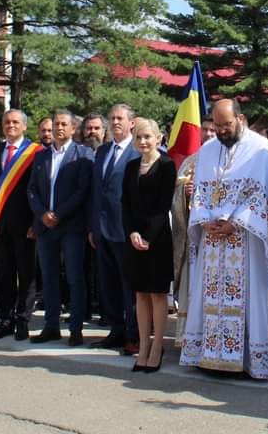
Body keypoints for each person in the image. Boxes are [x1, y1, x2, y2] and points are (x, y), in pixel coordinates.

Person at [179, 99, 268, 379]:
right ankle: (209, 356)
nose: (220, 131)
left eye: (226, 125)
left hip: (246, 240)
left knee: (247, 299)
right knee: (209, 298)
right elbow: (200, 192)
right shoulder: (207, 150)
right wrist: (205, 219)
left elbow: (265, 196)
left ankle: (246, 361)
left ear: (240, 119)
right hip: (212, 241)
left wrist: (234, 223)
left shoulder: (262, 150)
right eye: (216, 125)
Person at [28, 109, 93, 345]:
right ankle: (51, 326)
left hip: (71, 226)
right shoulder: (41, 156)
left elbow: (82, 191)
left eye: (64, 124)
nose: (59, 128)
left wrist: (58, 214)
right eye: (56, 124)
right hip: (46, 227)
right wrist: (42, 214)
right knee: (49, 278)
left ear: (73, 128)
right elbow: (32, 190)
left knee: (75, 278)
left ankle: (75, 329)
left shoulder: (83, 154)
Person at [121, 118, 176, 372]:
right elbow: (125, 203)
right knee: (140, 294)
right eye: (139, 137)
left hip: (157, 239)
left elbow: (163, 206)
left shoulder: (166, 165)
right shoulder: (131, 166)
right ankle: (143, 347)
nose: (143, 141)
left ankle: (156, 347)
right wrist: (132, 232)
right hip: (134, 239)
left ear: (158, 138)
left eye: (147, 137)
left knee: (156, 293)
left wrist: (147, 237)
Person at [0, 110, 43, 341]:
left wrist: (35, 222)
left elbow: (39, 190)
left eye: (15, 122)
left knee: (27, 275)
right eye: (7, 122)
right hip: (0, 225)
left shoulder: (35, 152)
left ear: (24, 126)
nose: (10, 125)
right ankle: (5, 320)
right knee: (5, 275)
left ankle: (23, 320)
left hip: (25, 225)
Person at [89, 104, 141, 353]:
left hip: (126, 230)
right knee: (108, 285)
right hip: (102, 230)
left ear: (132, 123)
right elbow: (96, 192)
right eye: (112, 118)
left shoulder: (137, 151)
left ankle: (134, 335)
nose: (115, 122)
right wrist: (93, 227)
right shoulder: (102, 151)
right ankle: (116, 331)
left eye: (120, 118)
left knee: (129, 287)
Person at [171, 117, 216, 339]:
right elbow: (175, 200)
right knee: (193, 287)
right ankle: (190, 336)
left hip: (220, 236)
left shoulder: (230, 161)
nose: (209, 134)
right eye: (205, 130)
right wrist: (185, 194)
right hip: (194, 240)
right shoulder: (190, 162)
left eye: (213, 130)